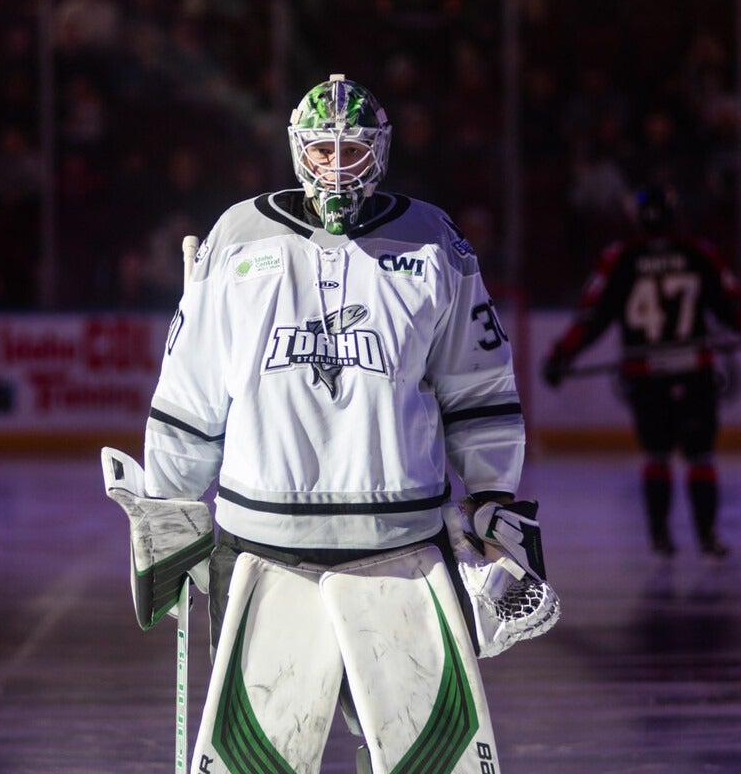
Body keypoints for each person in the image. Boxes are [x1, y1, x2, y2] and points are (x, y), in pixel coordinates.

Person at [138, 74, 556, 773]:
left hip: (402, 545)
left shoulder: (432, 240)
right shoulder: (236, 236)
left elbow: (478, 384)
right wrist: (170, 504)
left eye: (353, 150)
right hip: (259, 544)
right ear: (299, 150)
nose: (337, 165)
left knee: (425, 756)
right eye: (324, 149)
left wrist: (491, 492)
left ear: (381, 152)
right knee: (259, 760)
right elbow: (189, 390)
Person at [543, 183, 741, 560]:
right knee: (700, 456)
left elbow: (592, 317)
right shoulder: (698, 253)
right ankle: (707, 537)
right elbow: (731, 306)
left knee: (657, 455)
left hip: (645, 376)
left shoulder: (621, 258)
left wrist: (561, 356)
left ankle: (661, 538)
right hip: (694, 373)